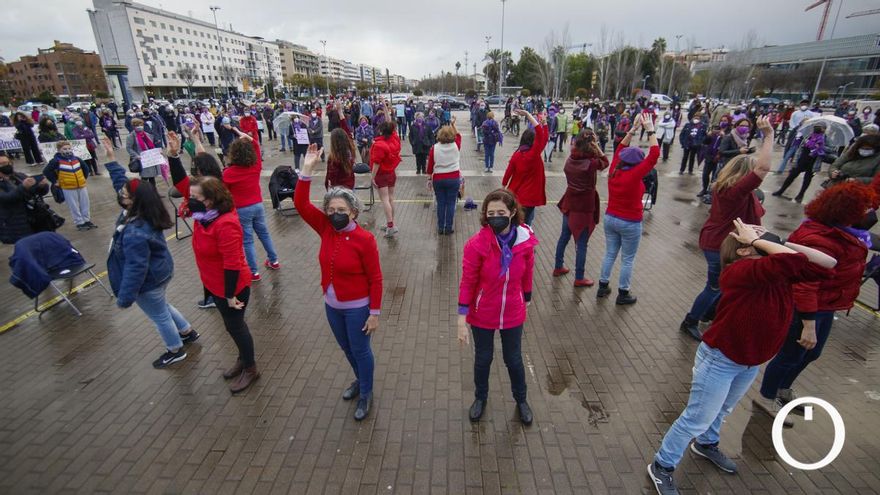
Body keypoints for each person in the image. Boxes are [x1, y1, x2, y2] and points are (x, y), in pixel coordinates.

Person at [648, 220, 836, 495]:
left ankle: (706, 444)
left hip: (748, 361)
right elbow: (793, 262)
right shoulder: (741, 271)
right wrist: (761, 241)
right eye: (755, 238)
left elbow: (827, 263)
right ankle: (662, 465)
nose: (762, 236)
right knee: (697, 417)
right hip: (721, 360)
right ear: (744, 250)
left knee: (722, 410)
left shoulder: (776, 270)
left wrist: (777, 241)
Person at [756, 182, 875, 421]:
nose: (869, 215)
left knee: (811, 353)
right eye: (863, 209)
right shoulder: (820, 238)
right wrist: (808, 323)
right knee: (791, 354)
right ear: (846, 212)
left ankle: (783, 390)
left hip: (826, 304)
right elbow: (805, 284)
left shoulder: (845, 233)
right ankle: (766, 397)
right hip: (809, 307)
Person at [295, 144, 383, 420]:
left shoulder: (364, 240)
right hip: (333, 305)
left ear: (353, 212)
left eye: (341, 209)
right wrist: (307, 171)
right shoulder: (325, 228)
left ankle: (366, 393)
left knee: (360, 349)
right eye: (331, 209)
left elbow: (376, 278)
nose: (335, 214)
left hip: (357, 307)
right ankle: (360, 380)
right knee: (347, 348)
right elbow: (300, 204)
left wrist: (375, 313)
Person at [680, 116, 773, 340]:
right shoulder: (734, 192)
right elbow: (762, 168)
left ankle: (709, 313)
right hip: (719, 245)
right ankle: (691, 320)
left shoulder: (727, 188)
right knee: (714, 287)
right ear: (743, 175)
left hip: (718, 242)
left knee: (723, 286)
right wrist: (768, 136)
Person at [457, 188, 538, 426]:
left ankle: (521, 400)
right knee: (483, 358)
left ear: (512, 212)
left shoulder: (525, 240)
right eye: (490, 213)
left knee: (513, 359)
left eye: (500, 212)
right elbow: (468, 281)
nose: (495, 217)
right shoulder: (477, 245)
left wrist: (527, 296)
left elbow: (529, 269)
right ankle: (480, 398)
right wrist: (461, 317)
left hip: (513, 310)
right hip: (483, 312)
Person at [107, 172, 198, 369]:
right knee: (162, 307)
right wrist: (113, 163)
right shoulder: (149, 214)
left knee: (160, 316)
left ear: (135, 201)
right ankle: (186, 331)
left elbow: (135, 268)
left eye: (124, 194)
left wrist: (125, 297)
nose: (120, 196)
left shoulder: (134, 231)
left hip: (149, 281)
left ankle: (175, 350)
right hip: (160, 274)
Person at [188, 176, 259, 393]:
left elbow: (232, 264)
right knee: (232, 327)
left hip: (232, 287)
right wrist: (173, 158)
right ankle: (242, 358)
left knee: (236, 327)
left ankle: (250, 368)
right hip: (215, 284)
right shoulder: (204, 217)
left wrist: (229, 295)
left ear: (210, 199)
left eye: (195, 197)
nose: (190, 201)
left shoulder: (225, 223)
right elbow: (183, 185)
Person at [596, 114, 659, 305]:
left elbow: (620, 148)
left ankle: (602, 286)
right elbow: (655, 155)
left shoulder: (615, 169)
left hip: (610, 218)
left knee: (609, 253)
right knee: (628, 259)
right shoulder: (635, 174)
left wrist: (632, 129)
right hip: (630, 222)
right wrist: (650, 130)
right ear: (638, 163)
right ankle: (623, 293)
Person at [554, 129, 609, 287]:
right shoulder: (591, 163)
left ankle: (558, 266)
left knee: (564, 237)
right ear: (591, 145)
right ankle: (579, 277)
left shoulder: (571, 159)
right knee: (582, 243)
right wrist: (598, 147)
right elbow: (605, 162)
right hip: (584, 207)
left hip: (569, 203)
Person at [222, 132, 280, 282]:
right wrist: (250, 139)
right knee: (264, 234)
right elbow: (257, 146)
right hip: (258, 205)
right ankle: (274, 260)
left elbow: (223, 191)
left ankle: (254, 272)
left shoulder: (228, 173)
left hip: (241, 209)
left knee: (247, 241)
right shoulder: (255, 166)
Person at [502, 109, 547, 225]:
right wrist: (529, 115)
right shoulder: (534, 154)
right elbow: (542, 137)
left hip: (516, 195)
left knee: (516, 222)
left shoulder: (517, 155)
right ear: (533, 141)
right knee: (526, 224)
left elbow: (508, 172)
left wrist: (503, 186)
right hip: (530, 197)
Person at [43, 141, 95, 231]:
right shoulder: (56, 161)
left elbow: (85, 168)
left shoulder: (77, 159)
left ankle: (87, 220)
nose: (67, 150)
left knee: (85, 203)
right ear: (59, 150)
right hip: (68, 187)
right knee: (74, 206)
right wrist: (55, 181)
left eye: (69, 148)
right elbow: (46, 171)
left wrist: (83, 178)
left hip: (81, 185)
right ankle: (79, 222)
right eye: (64, 149)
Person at [772, 121, 827, 203]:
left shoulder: (825, 138)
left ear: (824, 129)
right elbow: (800, 147)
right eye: (816, 126)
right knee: (792, 175)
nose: (818, 128)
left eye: (820, 127)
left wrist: (821, 148)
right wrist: (795, 159)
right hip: (802, 159)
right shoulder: (809, 136)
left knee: (807, 179)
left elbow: (831, 150)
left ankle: (801, 195)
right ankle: (781, 190)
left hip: (813, 162)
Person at [0, 156, 49, 244]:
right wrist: (23, 187)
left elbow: (36, 192)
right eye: (2, 164)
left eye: (8, 163)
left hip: (34, 218)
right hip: (15, 222)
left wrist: (41, 186)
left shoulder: (19, 176)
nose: (7, 165)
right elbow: (7, 198)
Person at [426, 117, 462, 235]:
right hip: (453, 178)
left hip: (438, 179)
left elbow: (430, 166)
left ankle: (440, 227)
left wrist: (429, 178)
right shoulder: (456, 145)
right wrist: (453, 124)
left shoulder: (434, 148)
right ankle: (448, 227)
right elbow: (458, 135)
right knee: (451, 203)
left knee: (441, 203)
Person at [370, 121, 402, 238]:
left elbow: (376, 163)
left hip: (381, 174)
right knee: (391, 198)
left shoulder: (379, 145)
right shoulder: (395, 139)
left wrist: (372, 177)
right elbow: (391, 124)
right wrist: (384, 105)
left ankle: (390, 226)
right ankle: (392, 223)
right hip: (391, 173)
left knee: (385, 200)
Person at [126, 118, 161, 185]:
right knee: (145, 177)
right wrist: (136, 156)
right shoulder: (131, 136)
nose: (139, 126)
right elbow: (129, 148)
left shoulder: (146, 134)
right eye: (137, 125)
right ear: (133, 126)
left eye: (140, 124)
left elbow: (152, 145)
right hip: (142, 159)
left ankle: (153, 193)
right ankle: (144, 192)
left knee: (152, 177)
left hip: (150, 158)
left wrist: (157, 152)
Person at [697, 125, 724, 199]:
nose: (716, 130)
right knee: (705, 174)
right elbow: (704, 142)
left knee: (715, 177)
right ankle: (704, 189)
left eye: (718, 129)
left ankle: (711, 192)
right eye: (714, 129)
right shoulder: (711, 136)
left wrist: (723, 136)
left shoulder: (724, 136)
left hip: (719, 159)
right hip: (709, 158)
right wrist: (709, 135)